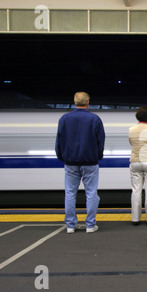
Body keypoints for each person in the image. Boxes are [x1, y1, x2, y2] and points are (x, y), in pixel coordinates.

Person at [55, 92, 105, 234]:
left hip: (70, 162)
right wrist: (97, 156)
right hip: (90, 162)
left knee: (70, 193)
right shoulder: (94, 119)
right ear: (88, 102)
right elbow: (100, 141)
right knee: (91, 193)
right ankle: (90, 225)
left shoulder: (64, 119)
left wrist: (62, 157)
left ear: (75, 102)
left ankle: (70, 225)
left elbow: (59, 141)